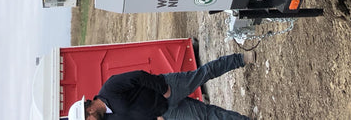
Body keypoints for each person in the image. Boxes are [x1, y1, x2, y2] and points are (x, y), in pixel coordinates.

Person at [67, 51, 255, 120]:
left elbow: (139, 76)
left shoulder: (110, 88)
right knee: (207, 115)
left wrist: (164, 89)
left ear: (89, 110)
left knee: (203, 74)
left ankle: (241, 59)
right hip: (165, 114)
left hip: (169, 88)